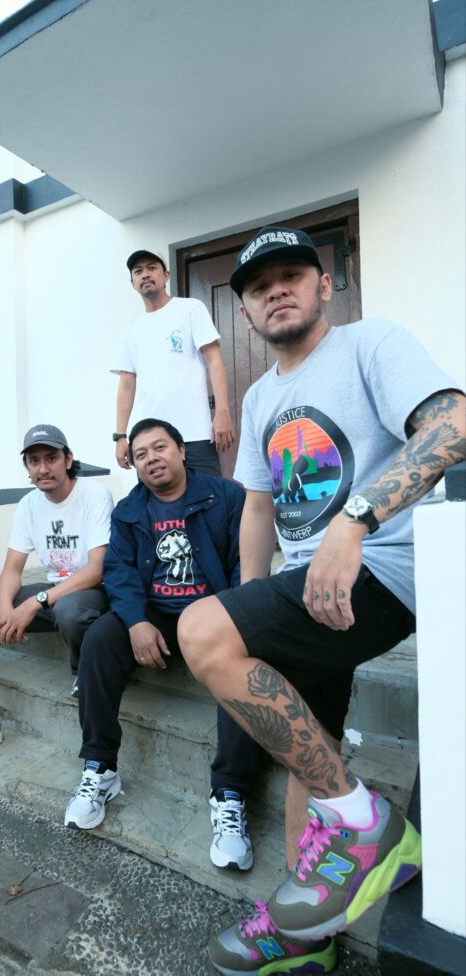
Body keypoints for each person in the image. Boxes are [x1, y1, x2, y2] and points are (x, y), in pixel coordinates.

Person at [173, 225, 466, 974]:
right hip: (305, 587)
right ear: (244, 310)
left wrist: (355, 520)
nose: (276, 290)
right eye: (258, 285)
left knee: (198, 630)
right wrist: (249, 601)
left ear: (324, 285)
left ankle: (363, 821)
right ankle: (308, 933)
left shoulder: (371, 343)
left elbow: (454, 423)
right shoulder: (260, 397)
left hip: (380, 572)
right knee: (311, 751)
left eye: (292, 275)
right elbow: (257, 506)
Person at [64, 418, 263, 873]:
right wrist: (135, 621)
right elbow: (118, 571)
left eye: (160, 447)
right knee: (99, 639)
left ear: (182, 450)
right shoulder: (129, 511)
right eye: (141, 454)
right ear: (134, 465)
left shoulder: (225, 496)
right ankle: (100, 767)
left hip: (213, 612)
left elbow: (245, 560)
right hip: (156, 613)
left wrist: (234, 615)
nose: (151, 458)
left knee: (245, 660)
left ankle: (230, 792)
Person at [0, 424, 113, 768]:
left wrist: (33, 603)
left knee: (70, 609)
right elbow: (13, 569)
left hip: (92, 591)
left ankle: (85, 669)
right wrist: (5, 609)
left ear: (68, 459)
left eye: (51, 458)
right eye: (34, 461)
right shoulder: (29, 504)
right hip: (54, 591)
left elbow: (96, 570)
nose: (43, 468)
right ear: (27, 467)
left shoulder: (94, 494)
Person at [113, 249, 236, 476]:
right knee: (158, 500)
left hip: (195, 434)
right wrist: (120, 436)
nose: (145, 274)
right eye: (138, 271)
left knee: (208, 495)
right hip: (151, 441)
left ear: (166, 275)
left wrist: (222, 412)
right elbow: (126, 384)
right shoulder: (130, 329)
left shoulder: (190, 309)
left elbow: (214, 360)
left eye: (152, 268)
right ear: (132, 283)